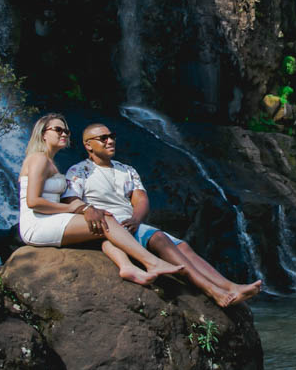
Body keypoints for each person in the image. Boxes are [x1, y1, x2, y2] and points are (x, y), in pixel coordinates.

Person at [63, 122, 262, 306]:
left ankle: (230, 286)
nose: (110, 141)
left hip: (132, 223)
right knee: (159, 238)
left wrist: (136, 218)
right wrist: (89, 211)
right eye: (103, 138)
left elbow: (141, 199)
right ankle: (213, 291)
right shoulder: (79, 171)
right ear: (88, 145)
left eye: (112, 136)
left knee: (184, 246)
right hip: (111, 227)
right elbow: (71, 199)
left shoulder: (127, 170)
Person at [18, 113, 183, 286]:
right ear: (43, 133)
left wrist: (88, 209)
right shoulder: (39, 159)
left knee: (99, 222)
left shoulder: (50, 162)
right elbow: (33, 202)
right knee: (104, 220)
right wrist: (76, 209)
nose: (64, 134)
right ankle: (152, 263)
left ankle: (127, 267)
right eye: (58, 130)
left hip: (51, 219)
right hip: (37, 224)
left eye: (66, 131)